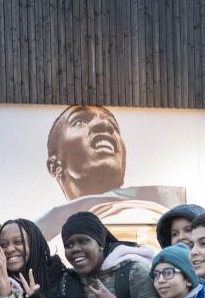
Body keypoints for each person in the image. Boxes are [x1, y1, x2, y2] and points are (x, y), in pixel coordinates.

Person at [36, 105, 187, 245]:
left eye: (113, 126)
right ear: (54, 166)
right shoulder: (44, 238)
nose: (105, 125)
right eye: (79, 121)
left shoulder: (155, 216)